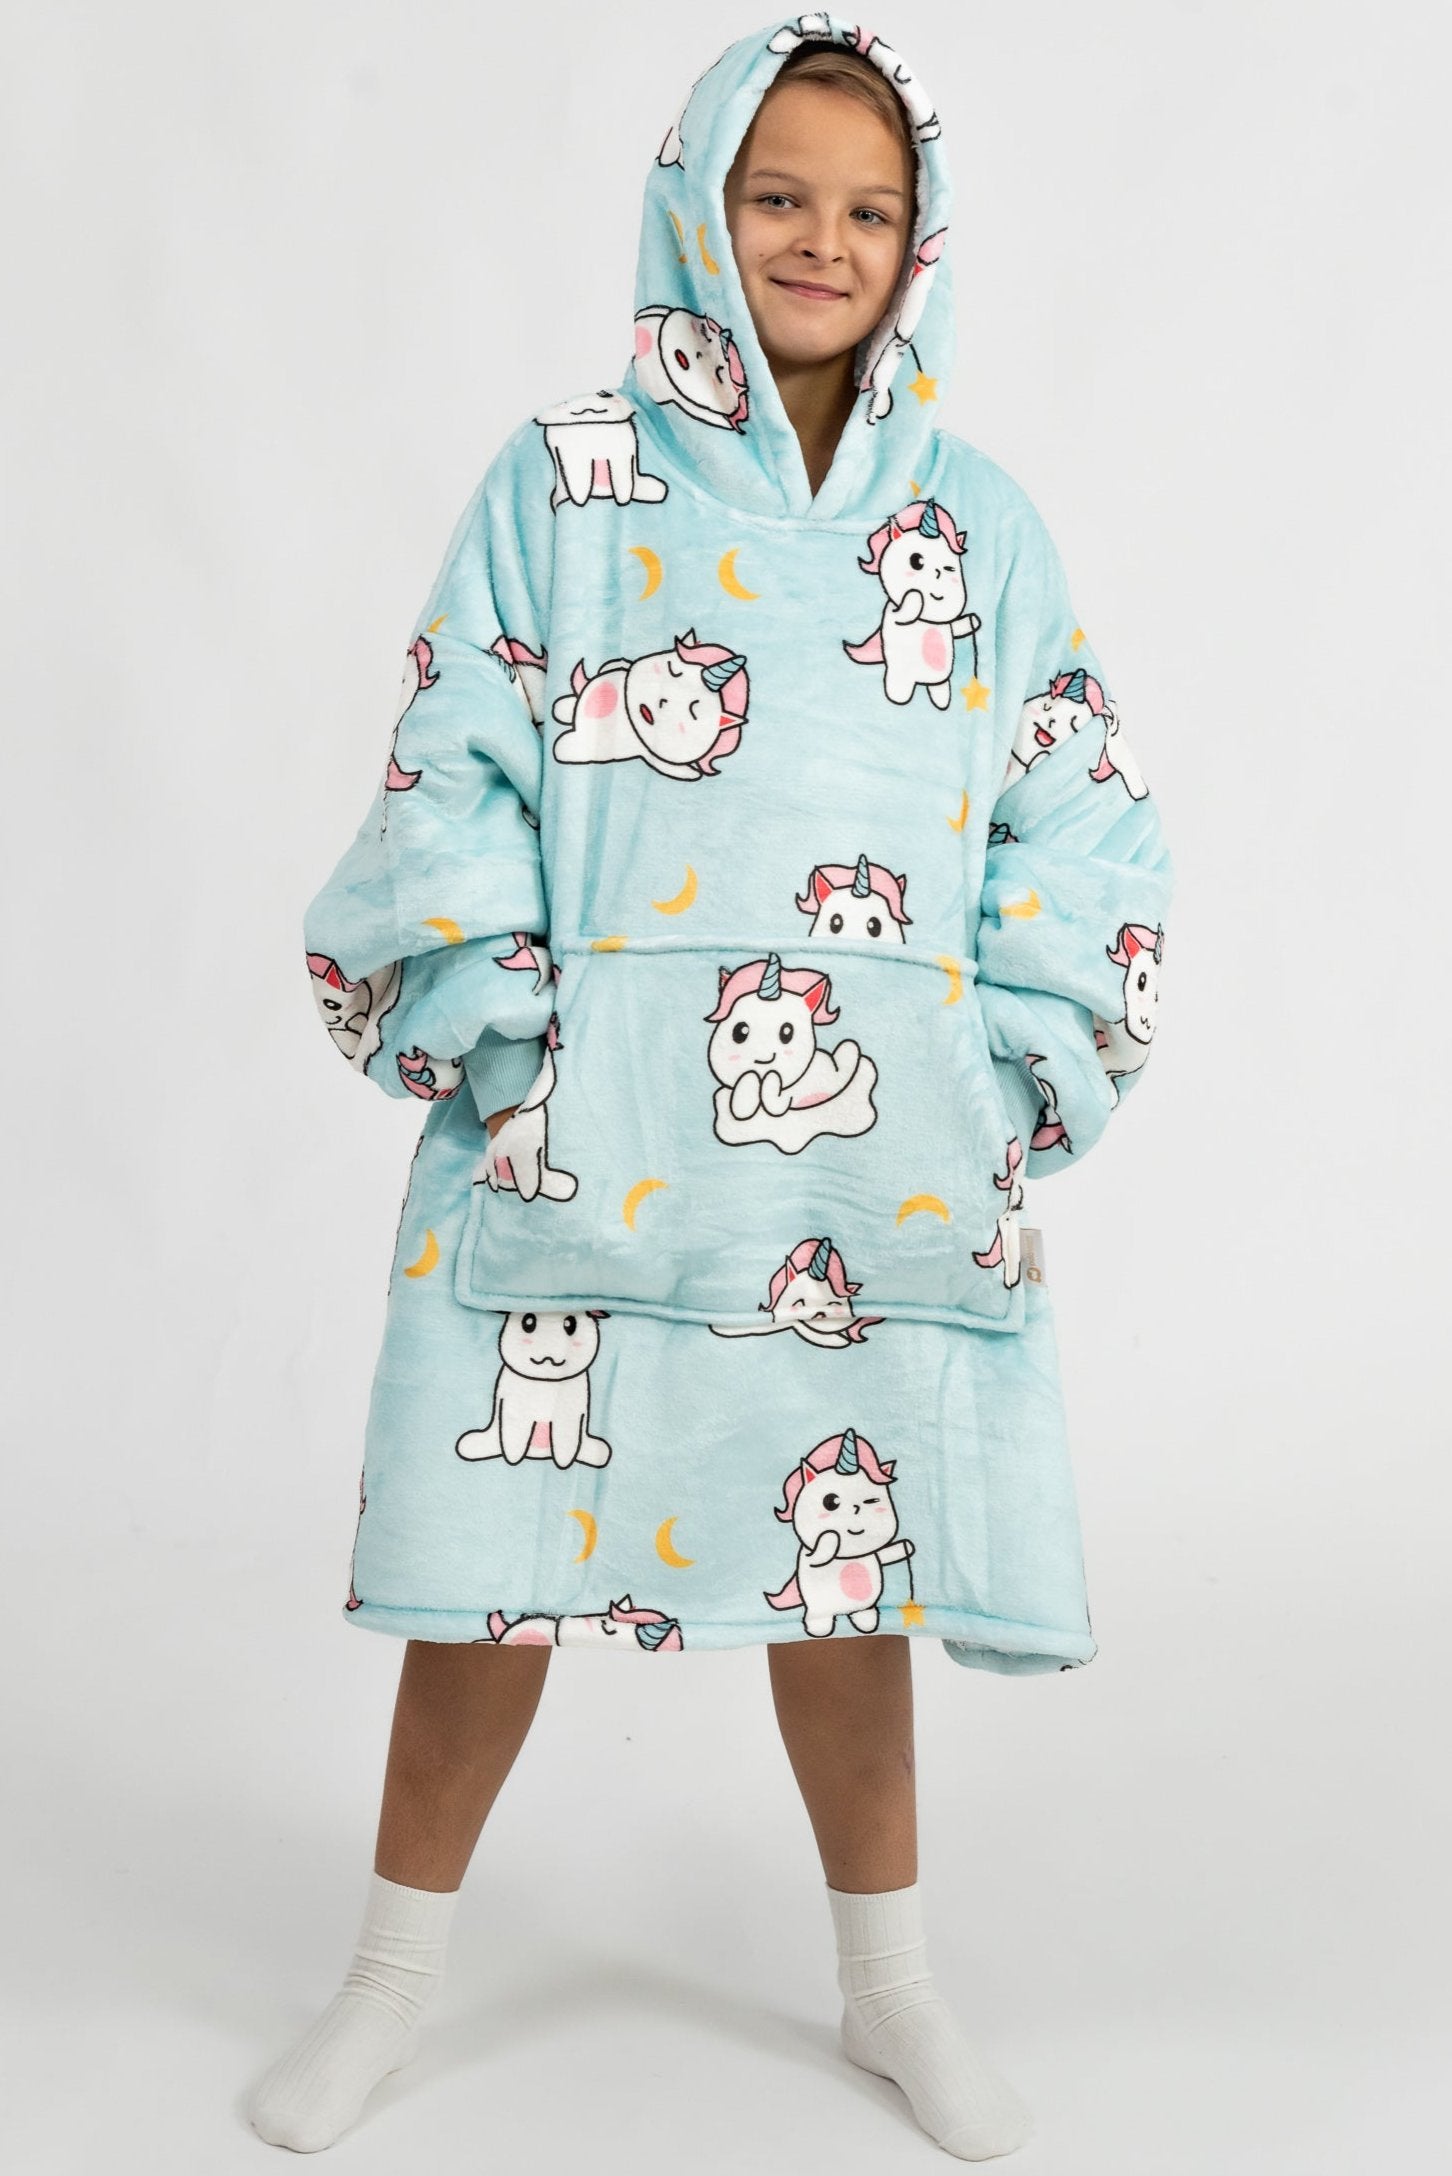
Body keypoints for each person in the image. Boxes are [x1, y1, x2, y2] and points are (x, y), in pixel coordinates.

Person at [258, 13, 1174, 2161]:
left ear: (921, 241)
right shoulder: (561, 483)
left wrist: (1002, 1067)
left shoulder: (983, 529)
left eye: (868, 209)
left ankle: (891, 1987)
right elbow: (453, 755)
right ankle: (388, 1977)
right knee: (490, 1566)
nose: (821, 242)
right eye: (779, 197)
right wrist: (514, 1035)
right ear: (697, 205)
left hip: (869, 1168)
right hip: (578, 1143)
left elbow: (1083, 819)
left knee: (847, 1586)